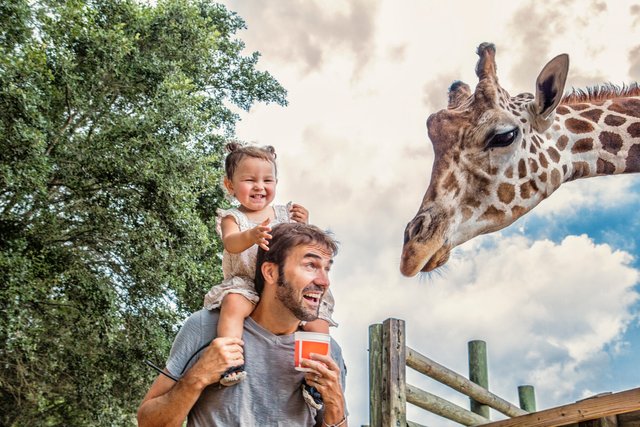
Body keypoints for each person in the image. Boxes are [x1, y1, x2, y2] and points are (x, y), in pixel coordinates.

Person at [137, 222, 348, 427]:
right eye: (311, 265)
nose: (324, 281)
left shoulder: (329, 352)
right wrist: (198, 377)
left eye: (326, 269)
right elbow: (148, 423)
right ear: (270, 272)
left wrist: (336, 405)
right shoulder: (206, 327)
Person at [203, 142, 337, 395]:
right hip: (247, 283)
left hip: (285, 286)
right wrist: (250, 236)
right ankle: (231, 362)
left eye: (268, 180)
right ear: (230, 185)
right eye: (249, 180)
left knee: (316, 323)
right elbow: (231, 244)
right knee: (232, 305)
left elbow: (303, 243)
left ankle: (315, 380)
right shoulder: (233, 217)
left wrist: (305, 224)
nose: (259, 186)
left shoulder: (283, 213)